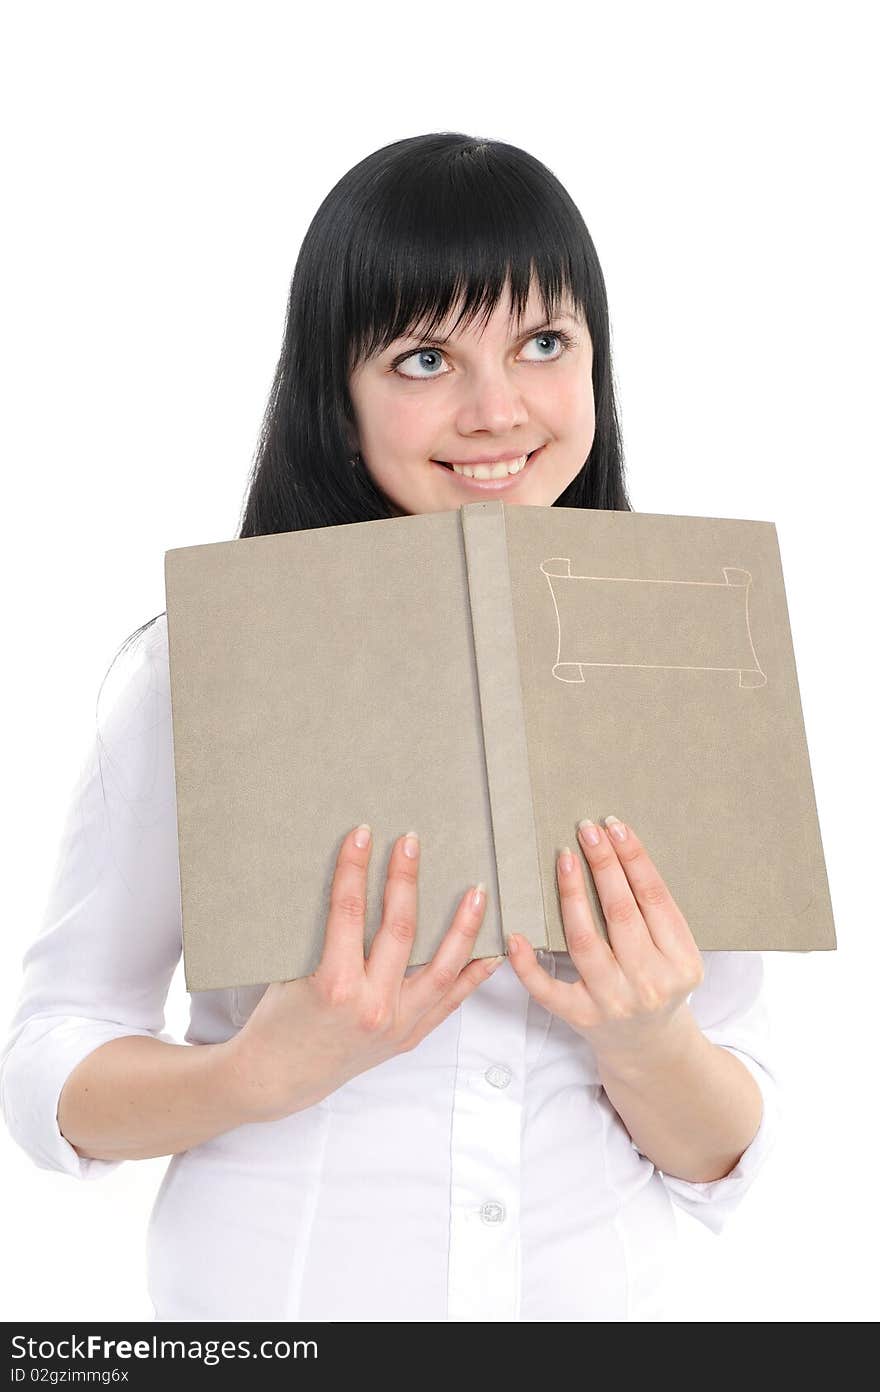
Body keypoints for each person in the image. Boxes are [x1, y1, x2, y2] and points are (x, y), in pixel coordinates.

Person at [0, 132, 781, 1322]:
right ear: (337, 392)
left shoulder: (686, 665)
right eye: (423, 357)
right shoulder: (205, 668)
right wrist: (254, 1075)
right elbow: (49, 1062)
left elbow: (724, 1148)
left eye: (542, 342)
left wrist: (647, 1036)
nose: (497, 409)